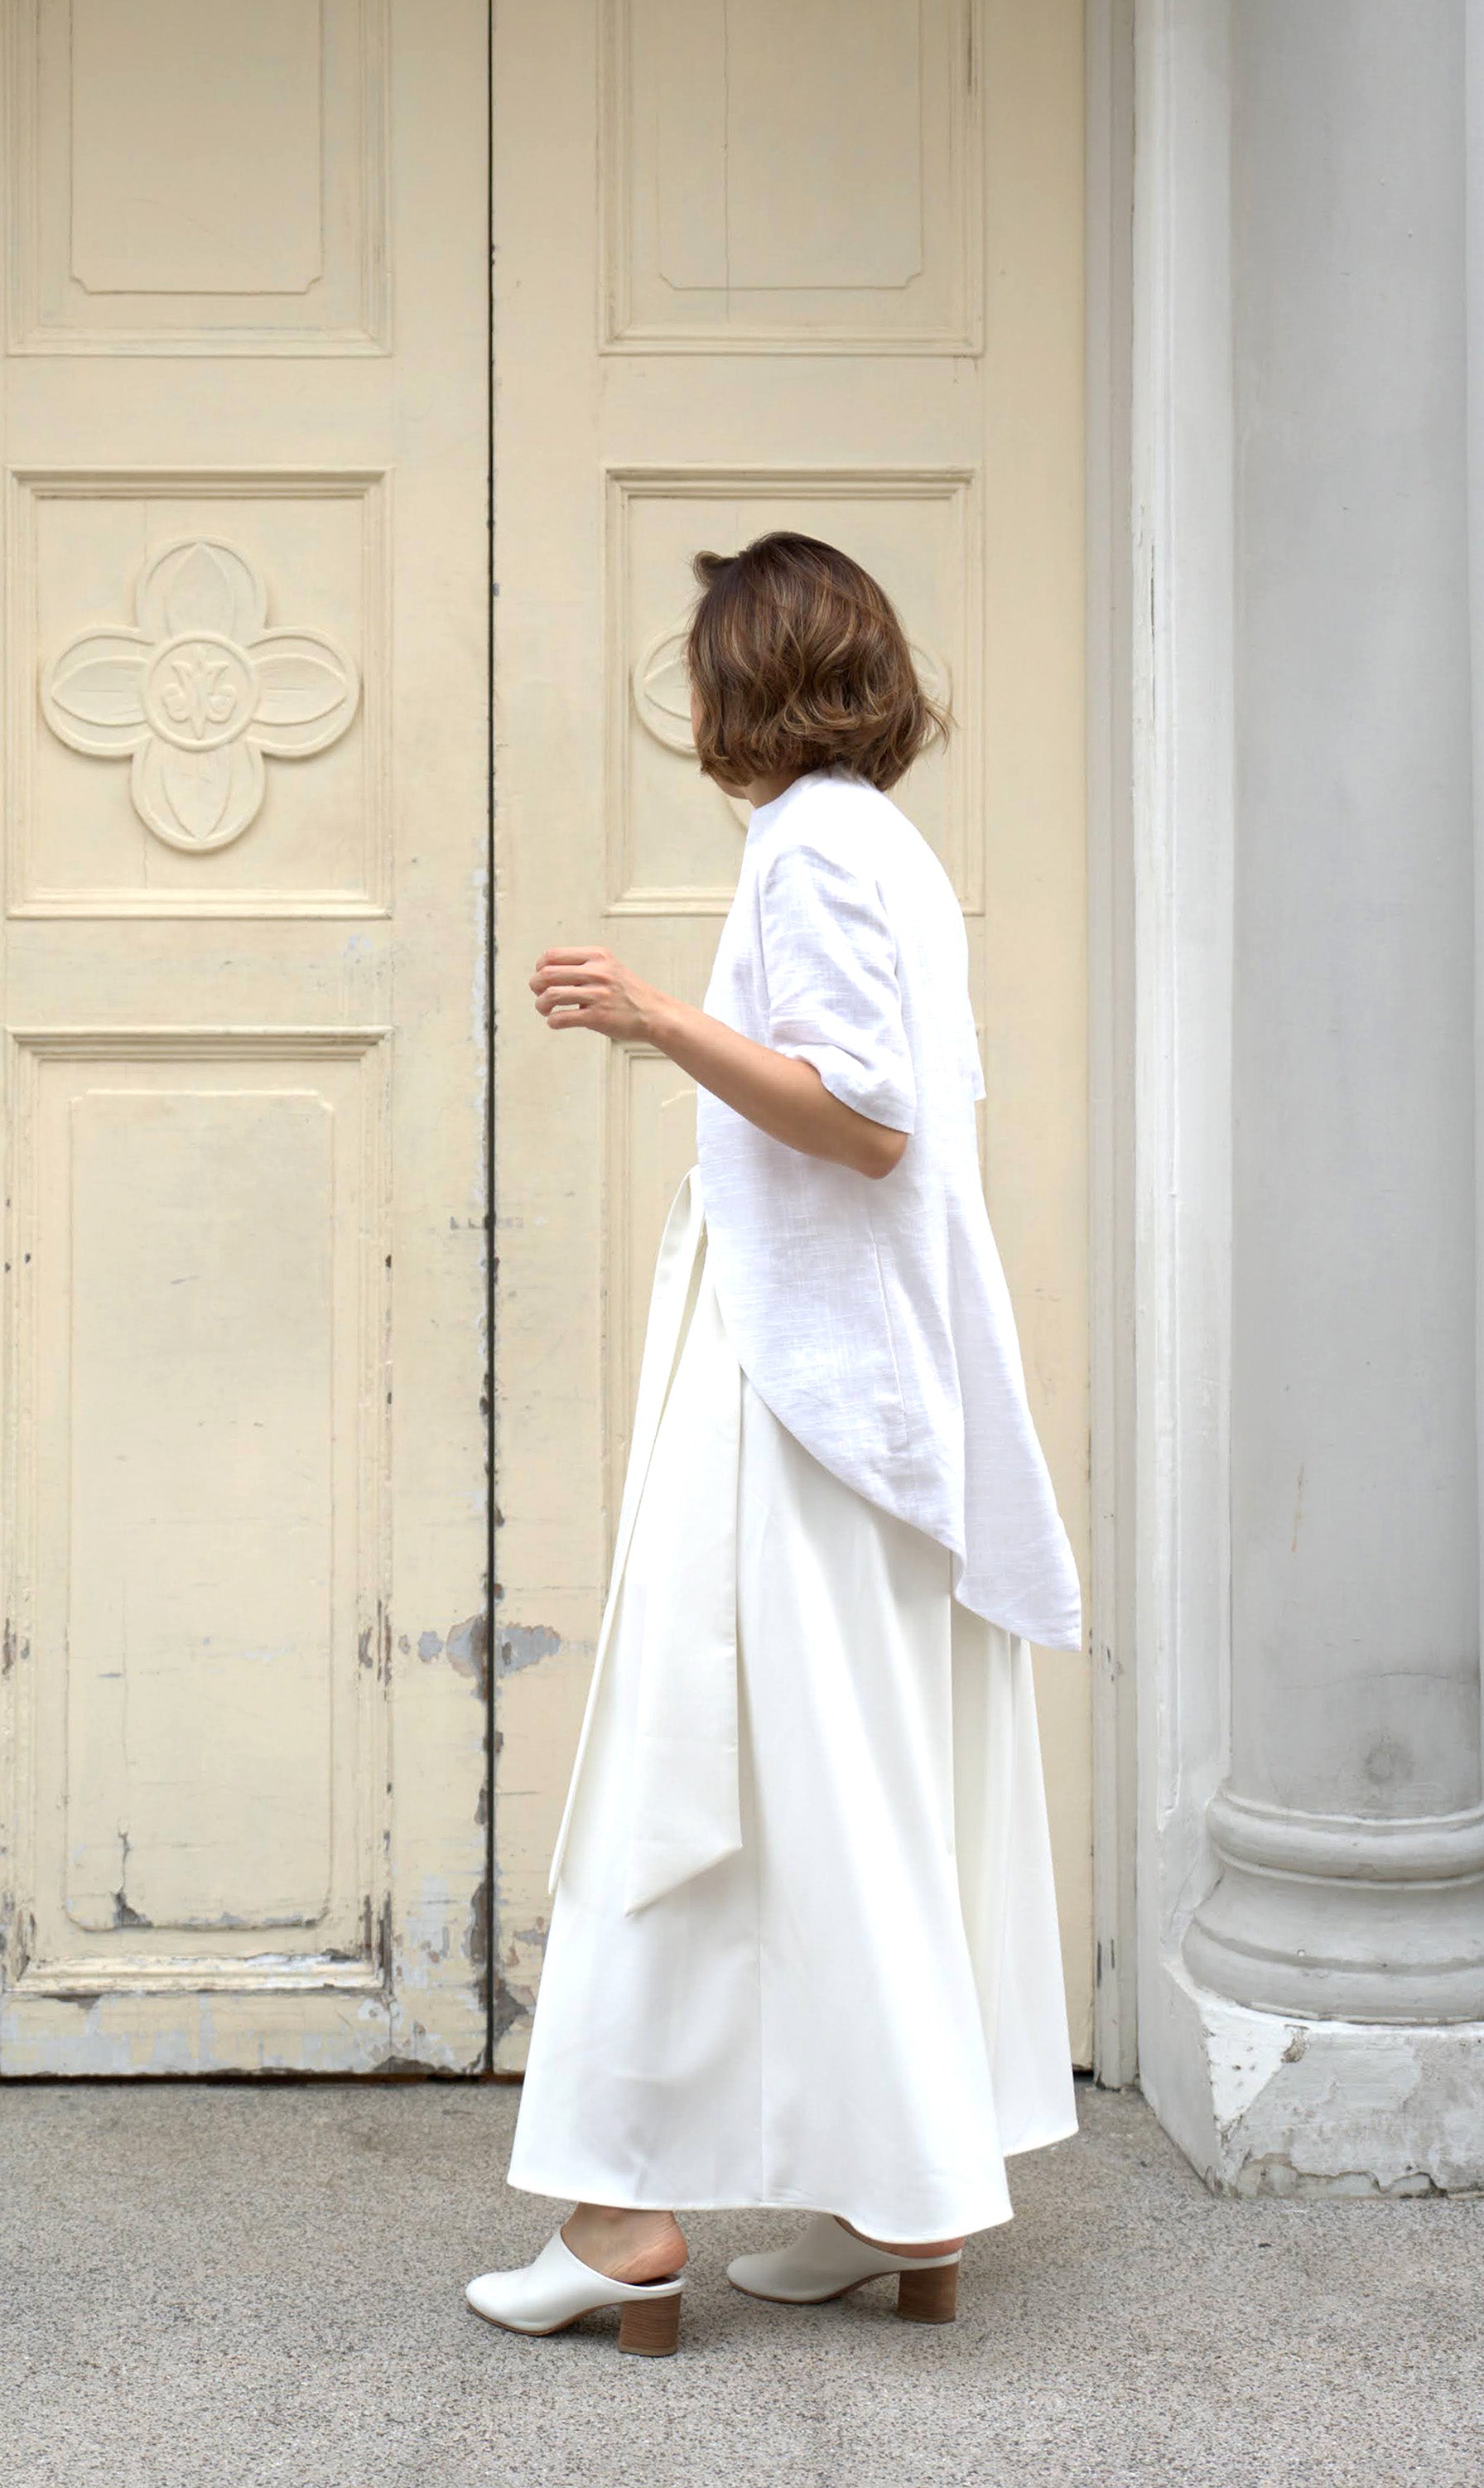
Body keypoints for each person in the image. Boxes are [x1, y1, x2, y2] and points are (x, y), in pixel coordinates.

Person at [465, 533, 1082, 2359]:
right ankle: (908, 2209)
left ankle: (620, 2211)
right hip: (884, 1400)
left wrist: (659, 1017)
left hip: (801, 1401)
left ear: (749, 681)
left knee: (684, 1766)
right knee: (854, 1786)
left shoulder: (812, 844)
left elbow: (867, 1120)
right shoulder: (888, 845)